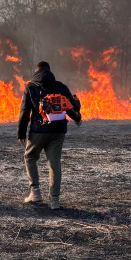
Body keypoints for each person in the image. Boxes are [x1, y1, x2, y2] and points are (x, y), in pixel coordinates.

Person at [17, 61, 81, 210]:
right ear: (50, 72)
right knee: (54, 163)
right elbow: (71, 107)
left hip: (39, 131)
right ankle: (55, 200)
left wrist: (21, 133)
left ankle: (35, 193)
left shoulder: (31, 87)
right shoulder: (61, 87)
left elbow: (25, 112)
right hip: (58, 131)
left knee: (30, 157)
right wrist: (77, 117)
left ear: (36, 72)